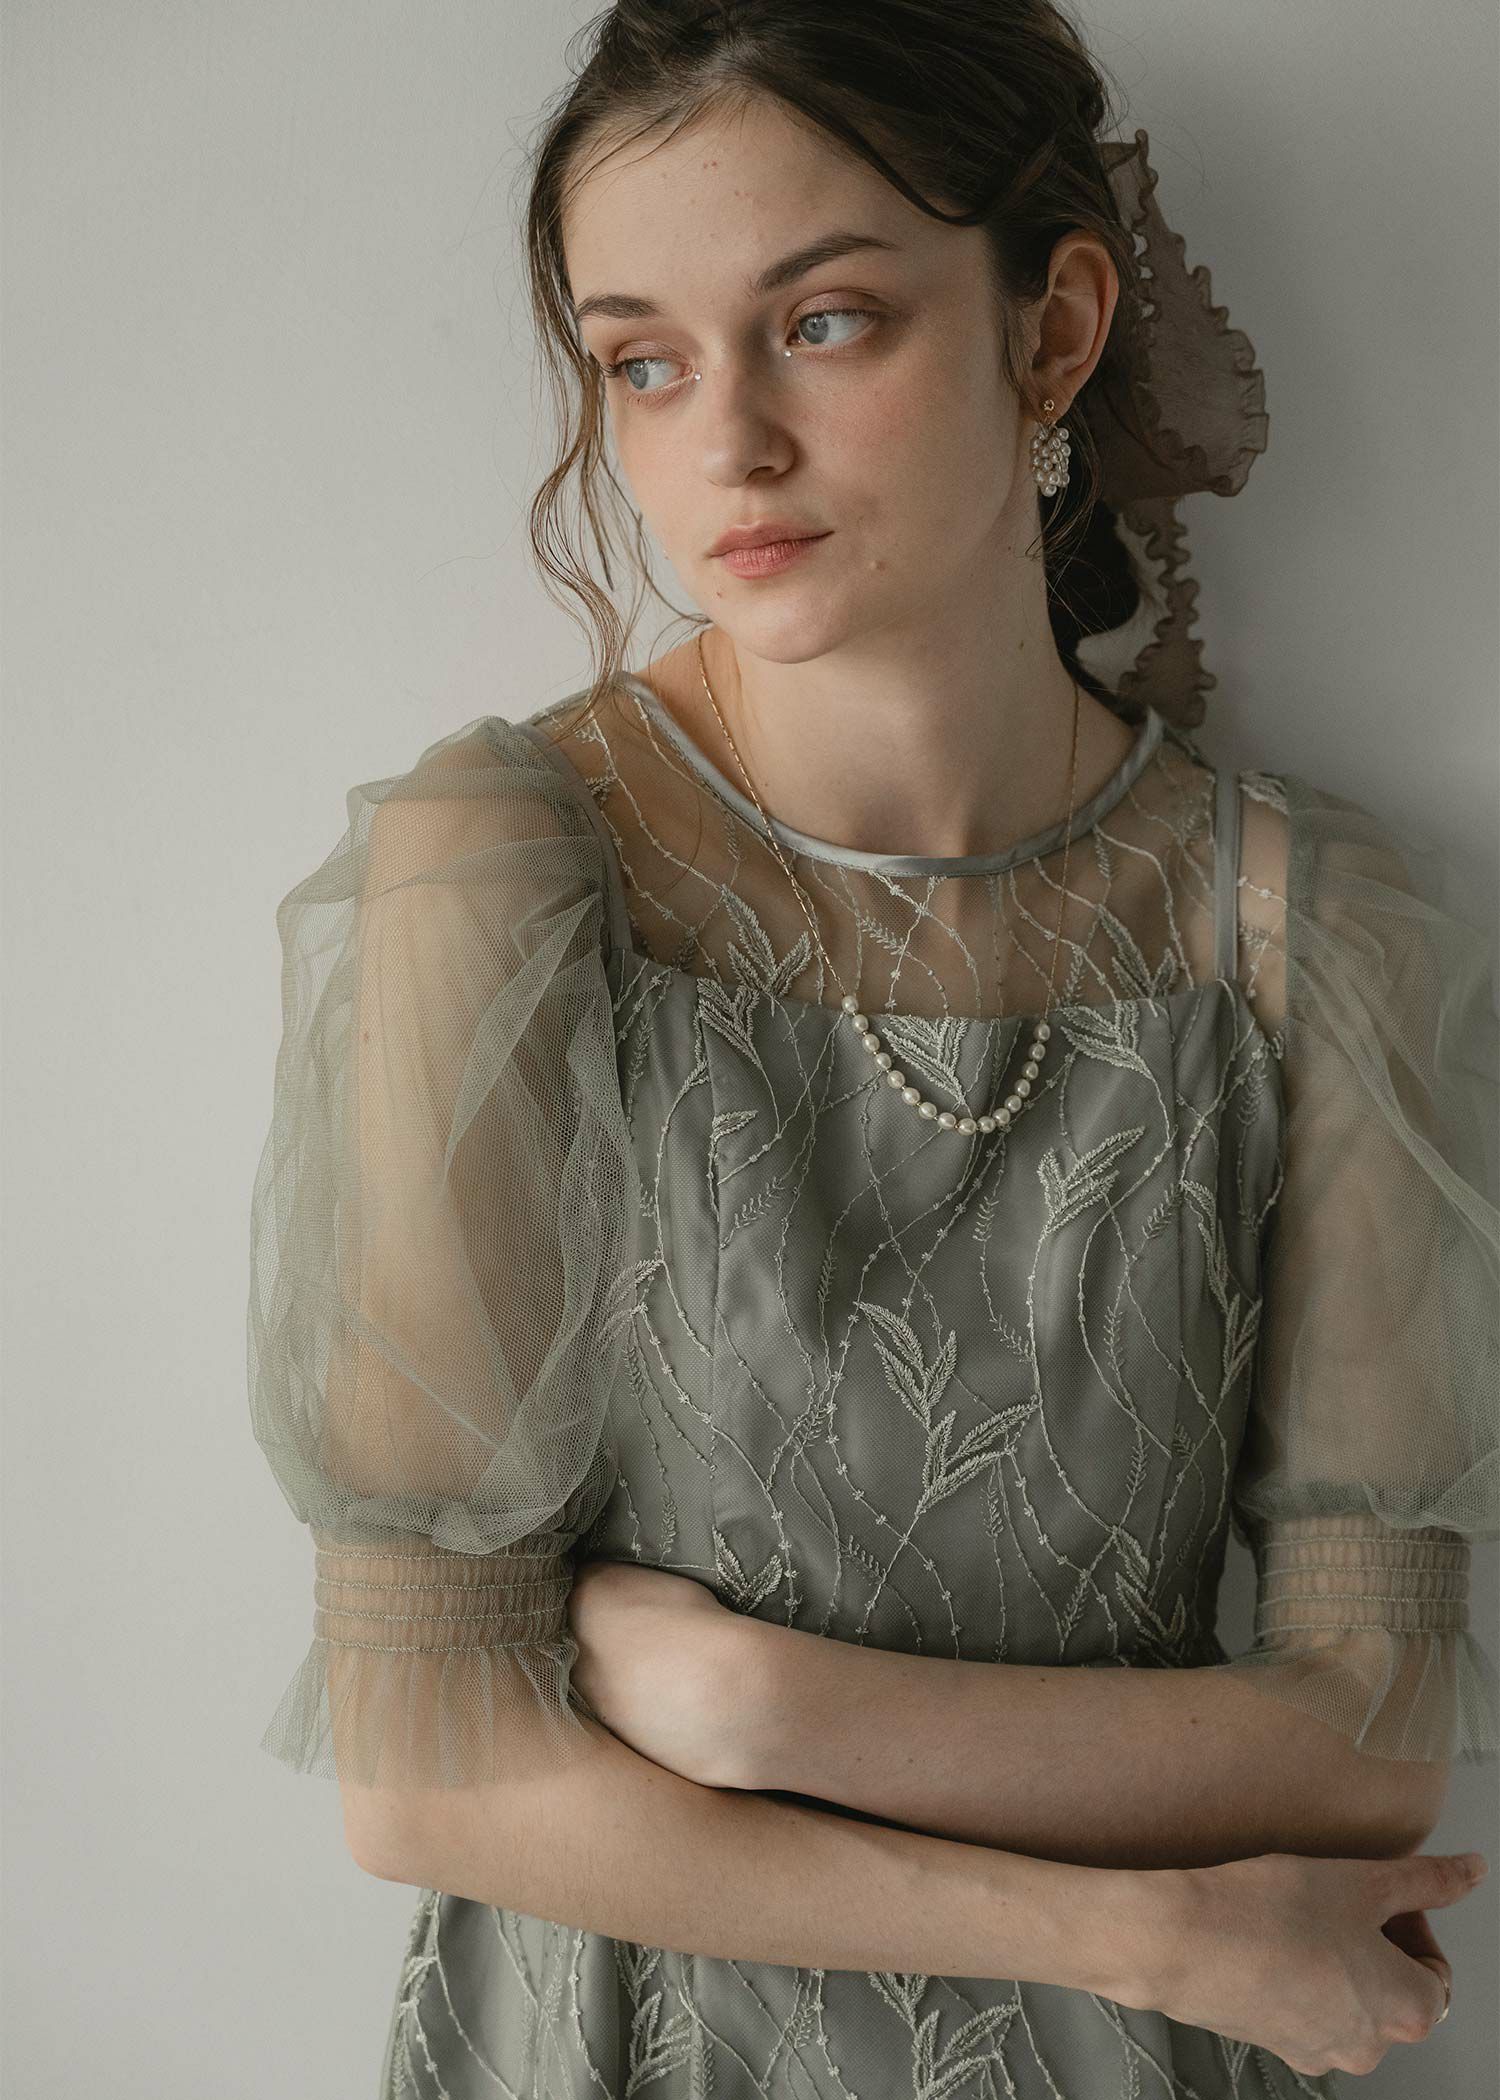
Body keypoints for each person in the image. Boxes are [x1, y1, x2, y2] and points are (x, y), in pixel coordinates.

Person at [245, 4, 1499, 2093]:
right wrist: (1137, 1929)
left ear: (1053, 329)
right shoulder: (510, 871)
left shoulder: (1311, 923)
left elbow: (1369, 1742)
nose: (725, 444)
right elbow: (429, 1775)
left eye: (822, 324)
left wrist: (771, 1714)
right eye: (644, 362)